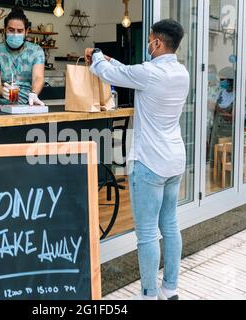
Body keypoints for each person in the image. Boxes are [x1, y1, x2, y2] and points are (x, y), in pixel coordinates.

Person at [85, 19, 190, 300]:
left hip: (150, 161)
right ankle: (170, 290)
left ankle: (147, 294)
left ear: (157, 41)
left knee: (146, 234)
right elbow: (128, 72)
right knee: (169, 224)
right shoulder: (182, 72)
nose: (148, 43)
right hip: (174, 158)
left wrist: (96, 56)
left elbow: (108, 73)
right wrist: (109, 59)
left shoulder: (151, 73)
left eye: (150, 38)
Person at [0, 7, 46, 107]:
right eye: (11, 30)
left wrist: (34, 94)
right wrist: (3, 92)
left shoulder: (36, 51)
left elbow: (38, 77)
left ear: (27, 31)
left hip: (28, 104)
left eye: (19, 31)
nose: (15, 34)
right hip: (1, 108)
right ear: (4, 30)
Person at [208, 67, 235, 166]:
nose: (221, 82)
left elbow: (233, 117)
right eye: (220, 79)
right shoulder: (220, 93)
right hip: (216, 129)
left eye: (223, 80)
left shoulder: (237, 95)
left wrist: (218, 108)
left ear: (231, 80)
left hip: (228, 132)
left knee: (226, 158)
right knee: (214, 156)